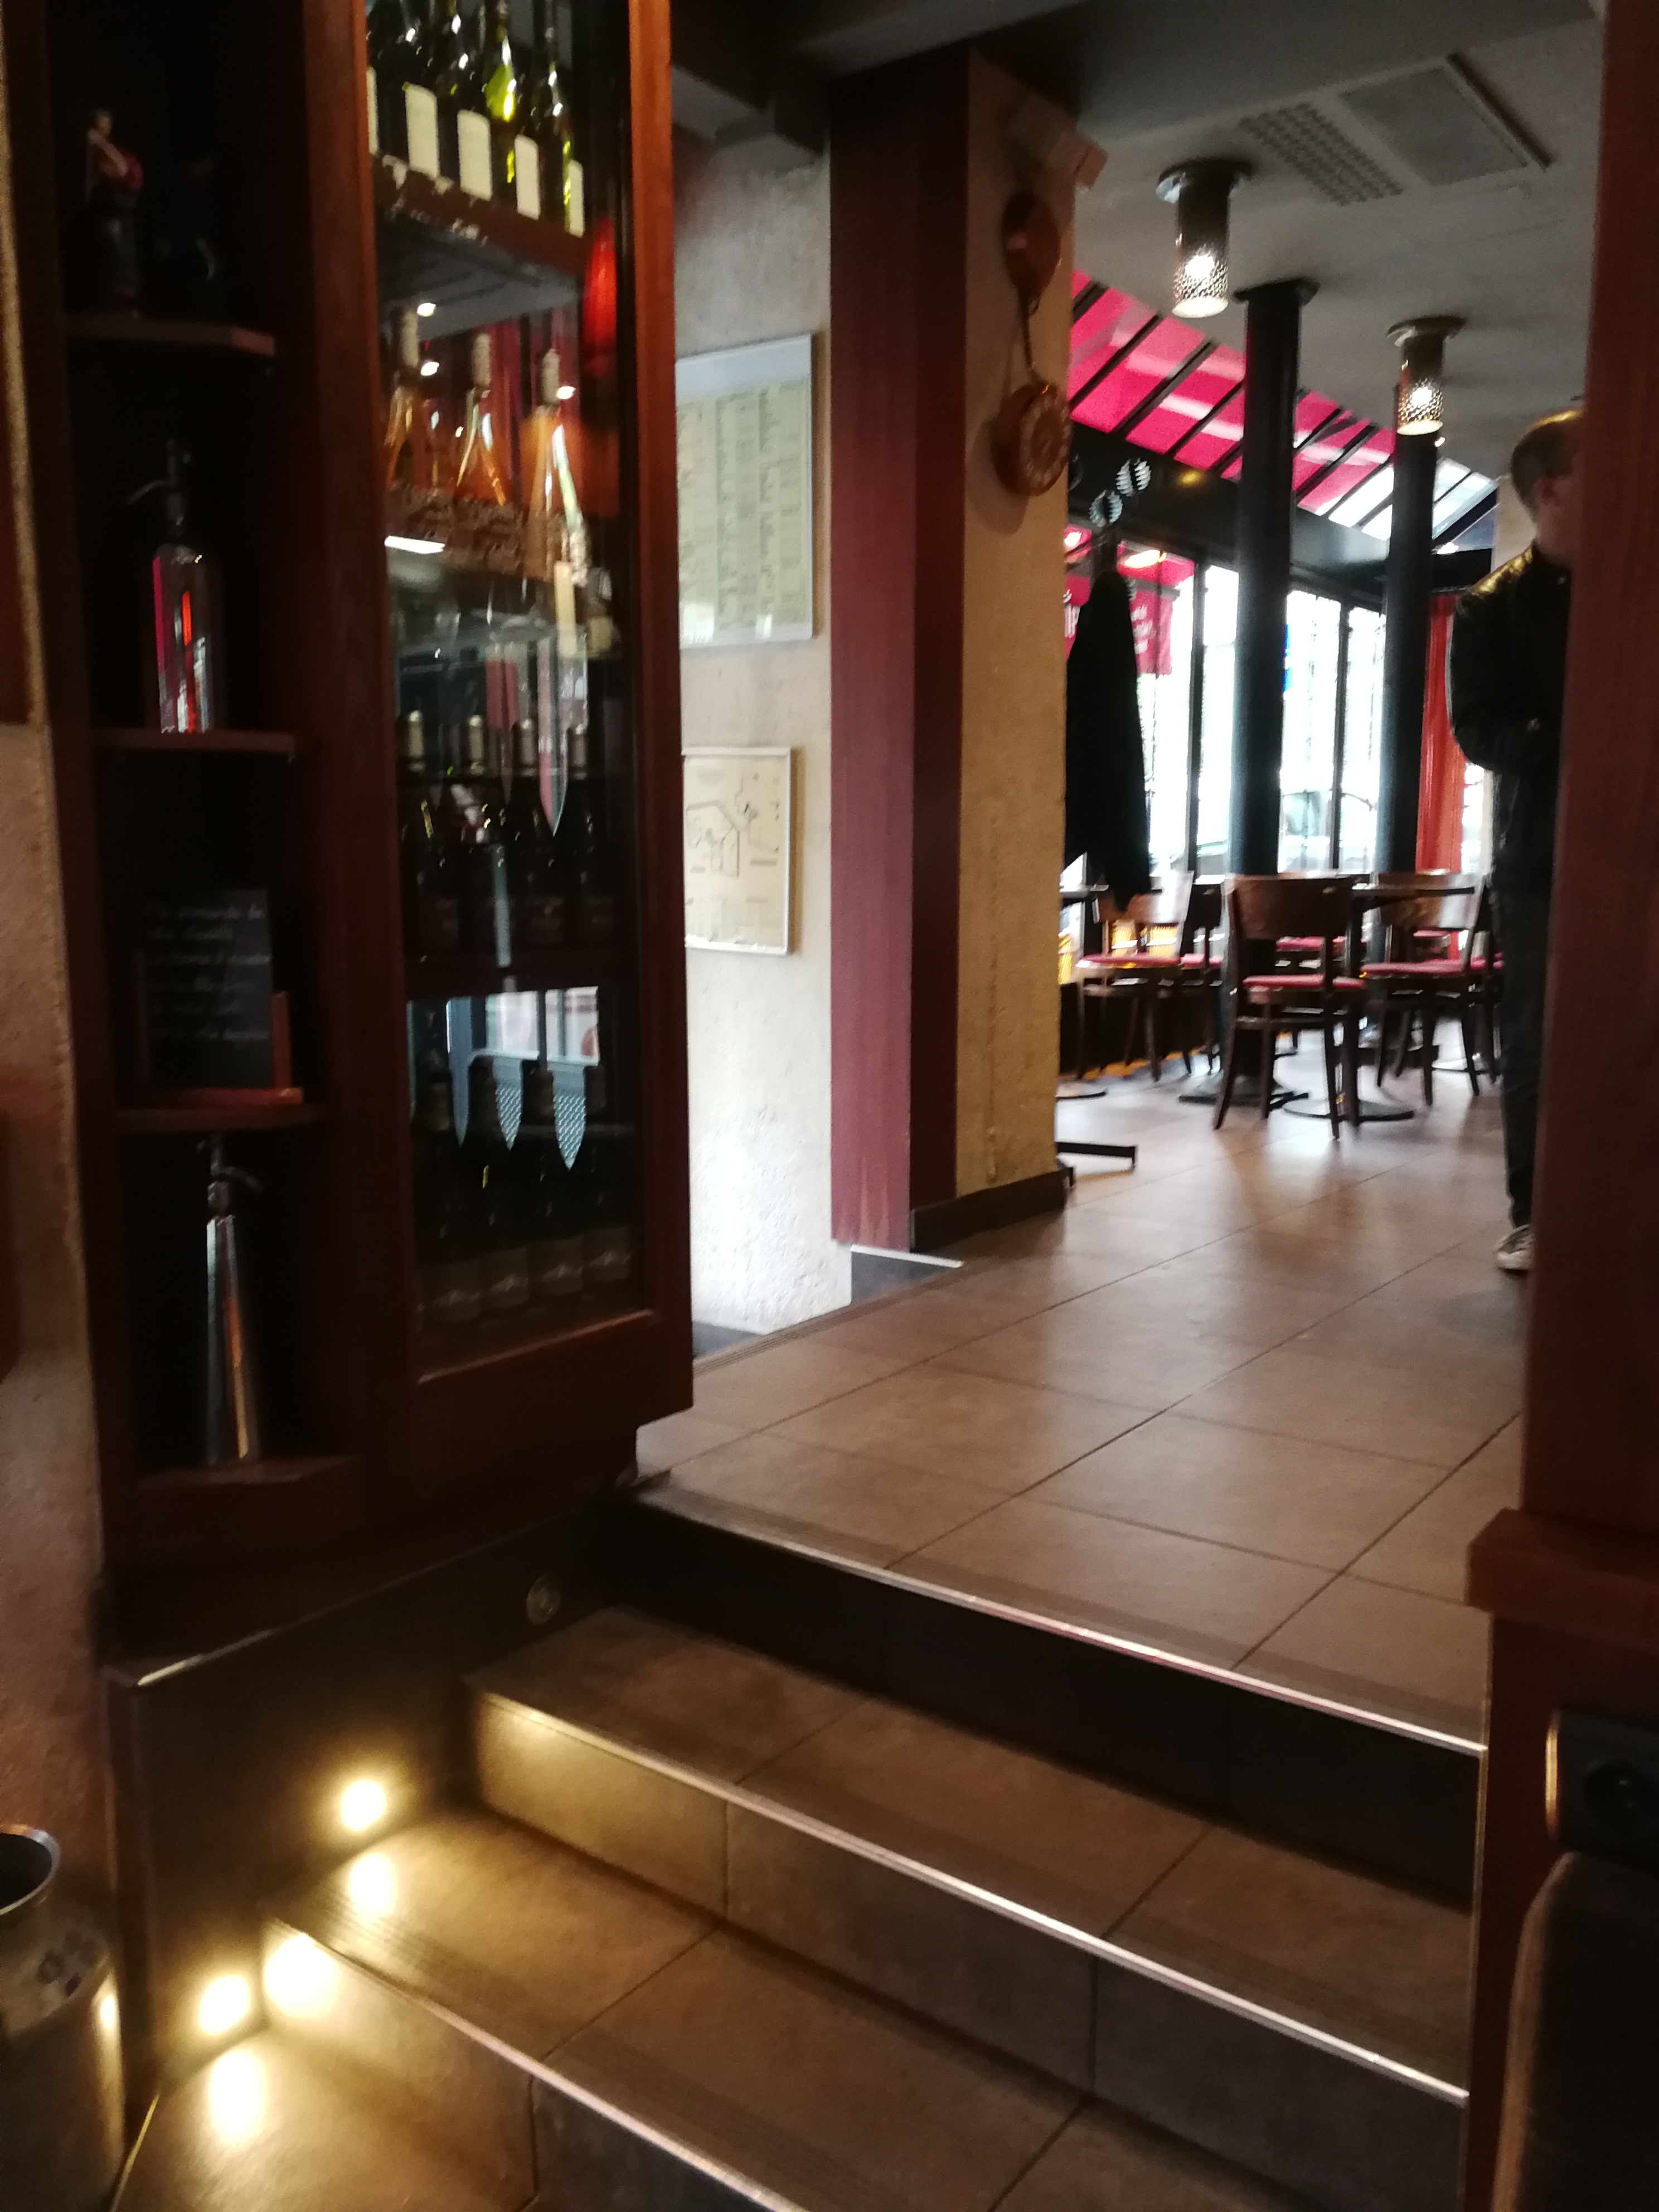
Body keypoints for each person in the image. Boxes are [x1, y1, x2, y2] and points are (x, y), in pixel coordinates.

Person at [1449, 410, 1581, 1274]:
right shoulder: (1491, 607)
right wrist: (1574, 733)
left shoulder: (1636, 584)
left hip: (1632, 854)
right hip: (1538, 857)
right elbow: (1478, 732)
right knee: (1533, 1037)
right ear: (1552, 491)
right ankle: (1534, 1213)